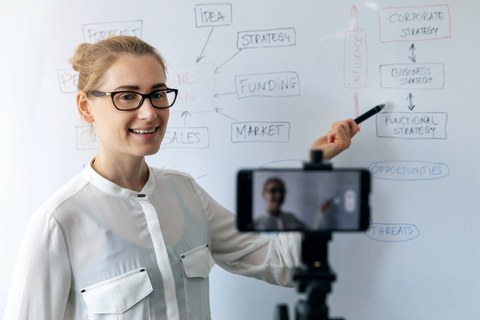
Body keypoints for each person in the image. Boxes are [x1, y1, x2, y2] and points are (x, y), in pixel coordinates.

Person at [3, 35, 360, 320]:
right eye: (127, 96)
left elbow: (284, 265)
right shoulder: (58, 222)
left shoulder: (185, 193)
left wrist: (316, 171)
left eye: (158, 94)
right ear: (85, 106)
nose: (150, 112)